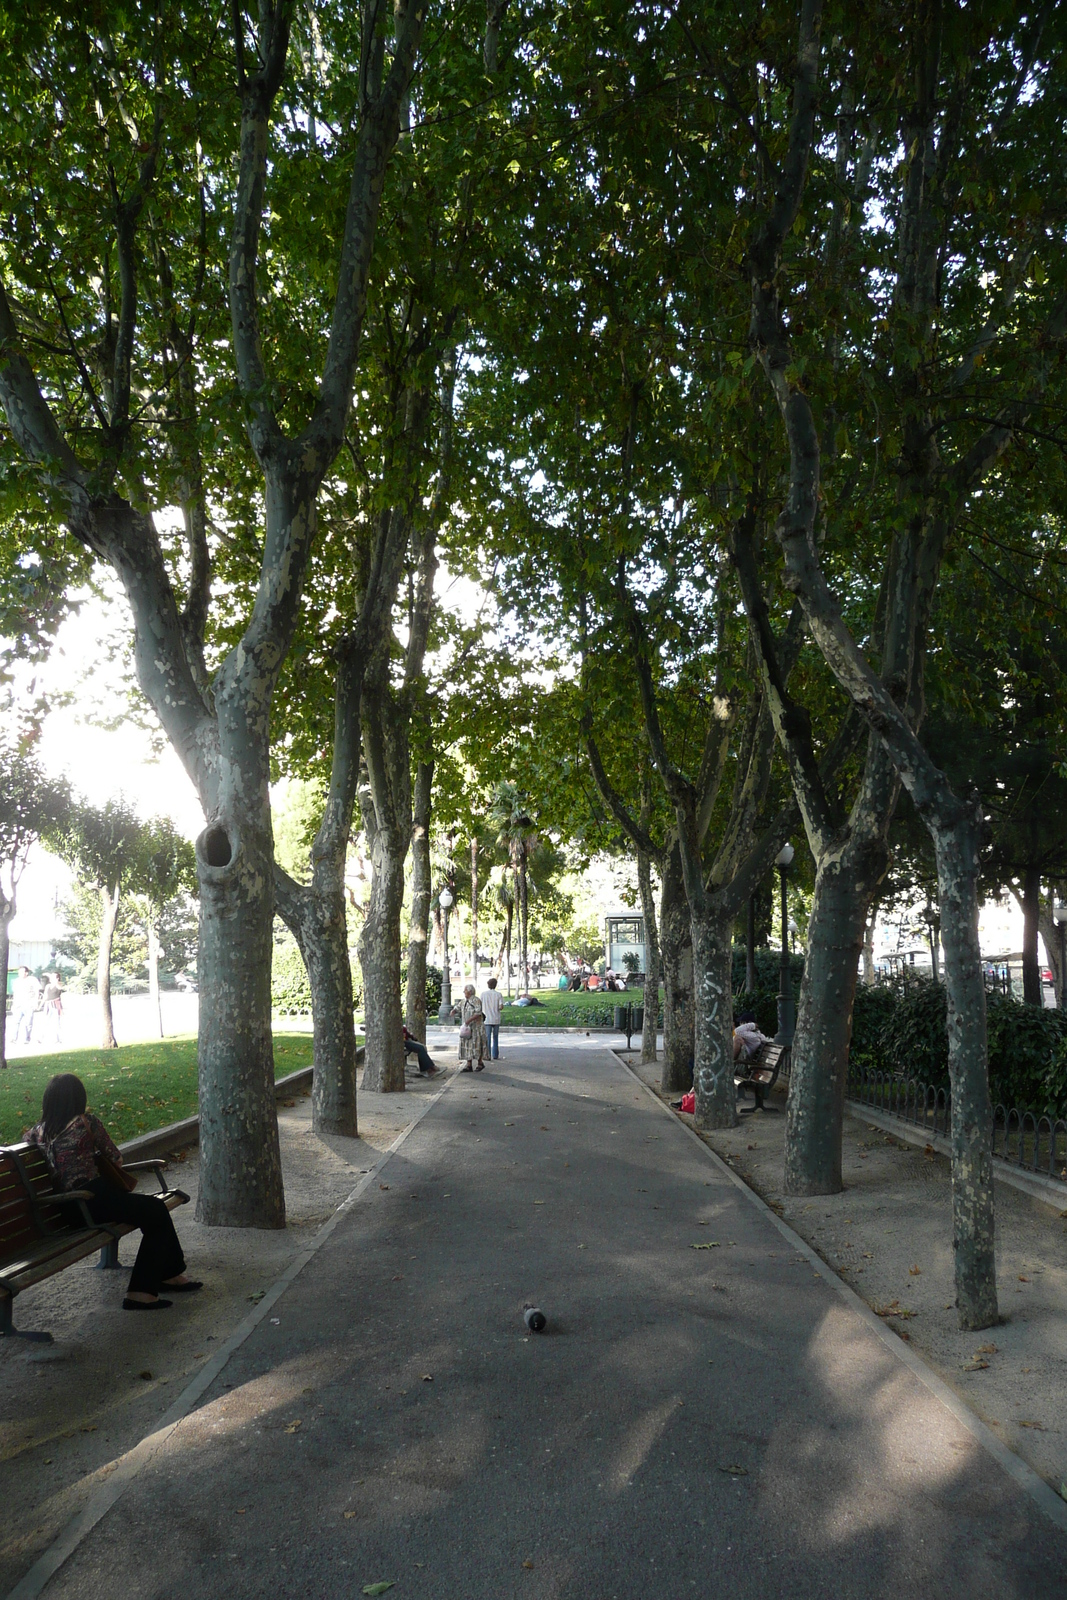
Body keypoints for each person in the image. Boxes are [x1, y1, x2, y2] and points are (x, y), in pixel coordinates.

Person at [26, 1073, 200, 1310]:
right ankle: (141, 1292)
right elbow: (116, 1159)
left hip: (65, 1211)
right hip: (92, 1200)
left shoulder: (35, 1133)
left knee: (154, 1210)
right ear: (78, 1098)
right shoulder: (85, 1122)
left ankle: (170, 1274)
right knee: (155, 1209)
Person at [458, 984, 487, 1072]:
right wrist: (453, 1010)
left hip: (476, 1027)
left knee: (477, 1044)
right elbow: (458, 1007)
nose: (464, 992)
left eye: (465, 990)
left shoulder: (476, 1000)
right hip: (467, 1028)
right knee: (467, 1045)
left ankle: (480, 1063)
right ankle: (469, 1064)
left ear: (470, 991)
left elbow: (478, 1012)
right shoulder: (463, 1001)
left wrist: (469, 1020)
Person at [10, 966, 40, 1046]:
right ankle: (13, 1038)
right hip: (18, 1005)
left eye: (22, 972)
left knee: (28, 1023)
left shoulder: (32, 980)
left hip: (29, 1004)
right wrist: (13, 1004)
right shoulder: (16, 981)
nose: (20, 974)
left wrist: (35, 1002)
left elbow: (37, 992)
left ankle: (27, 1038)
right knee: (16, 1022)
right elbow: (15, 994)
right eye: (19, 972)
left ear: (26, 973)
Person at [480, 975, 503, 1060]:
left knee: (487, 1038)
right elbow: (501, 1007)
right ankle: (495, 1054)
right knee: (496, 1037)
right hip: (496, 1018)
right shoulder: (498, 994)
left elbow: (480, 1005)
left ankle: (487, 1055)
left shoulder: (483, 994)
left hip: (486, 1019)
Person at [40, 971, 63, 1045]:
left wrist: (55, 980)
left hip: (55, 1004)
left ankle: (58, 1039)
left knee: (56, 1022)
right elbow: (45, 996)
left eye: (53, 977)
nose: (51, 978)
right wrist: (40, 1005)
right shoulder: (48, 986)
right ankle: (41, 1037)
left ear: (57, 978)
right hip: (48, 1004)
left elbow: (60, 988)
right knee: (45, 1021)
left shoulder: (58, 984)